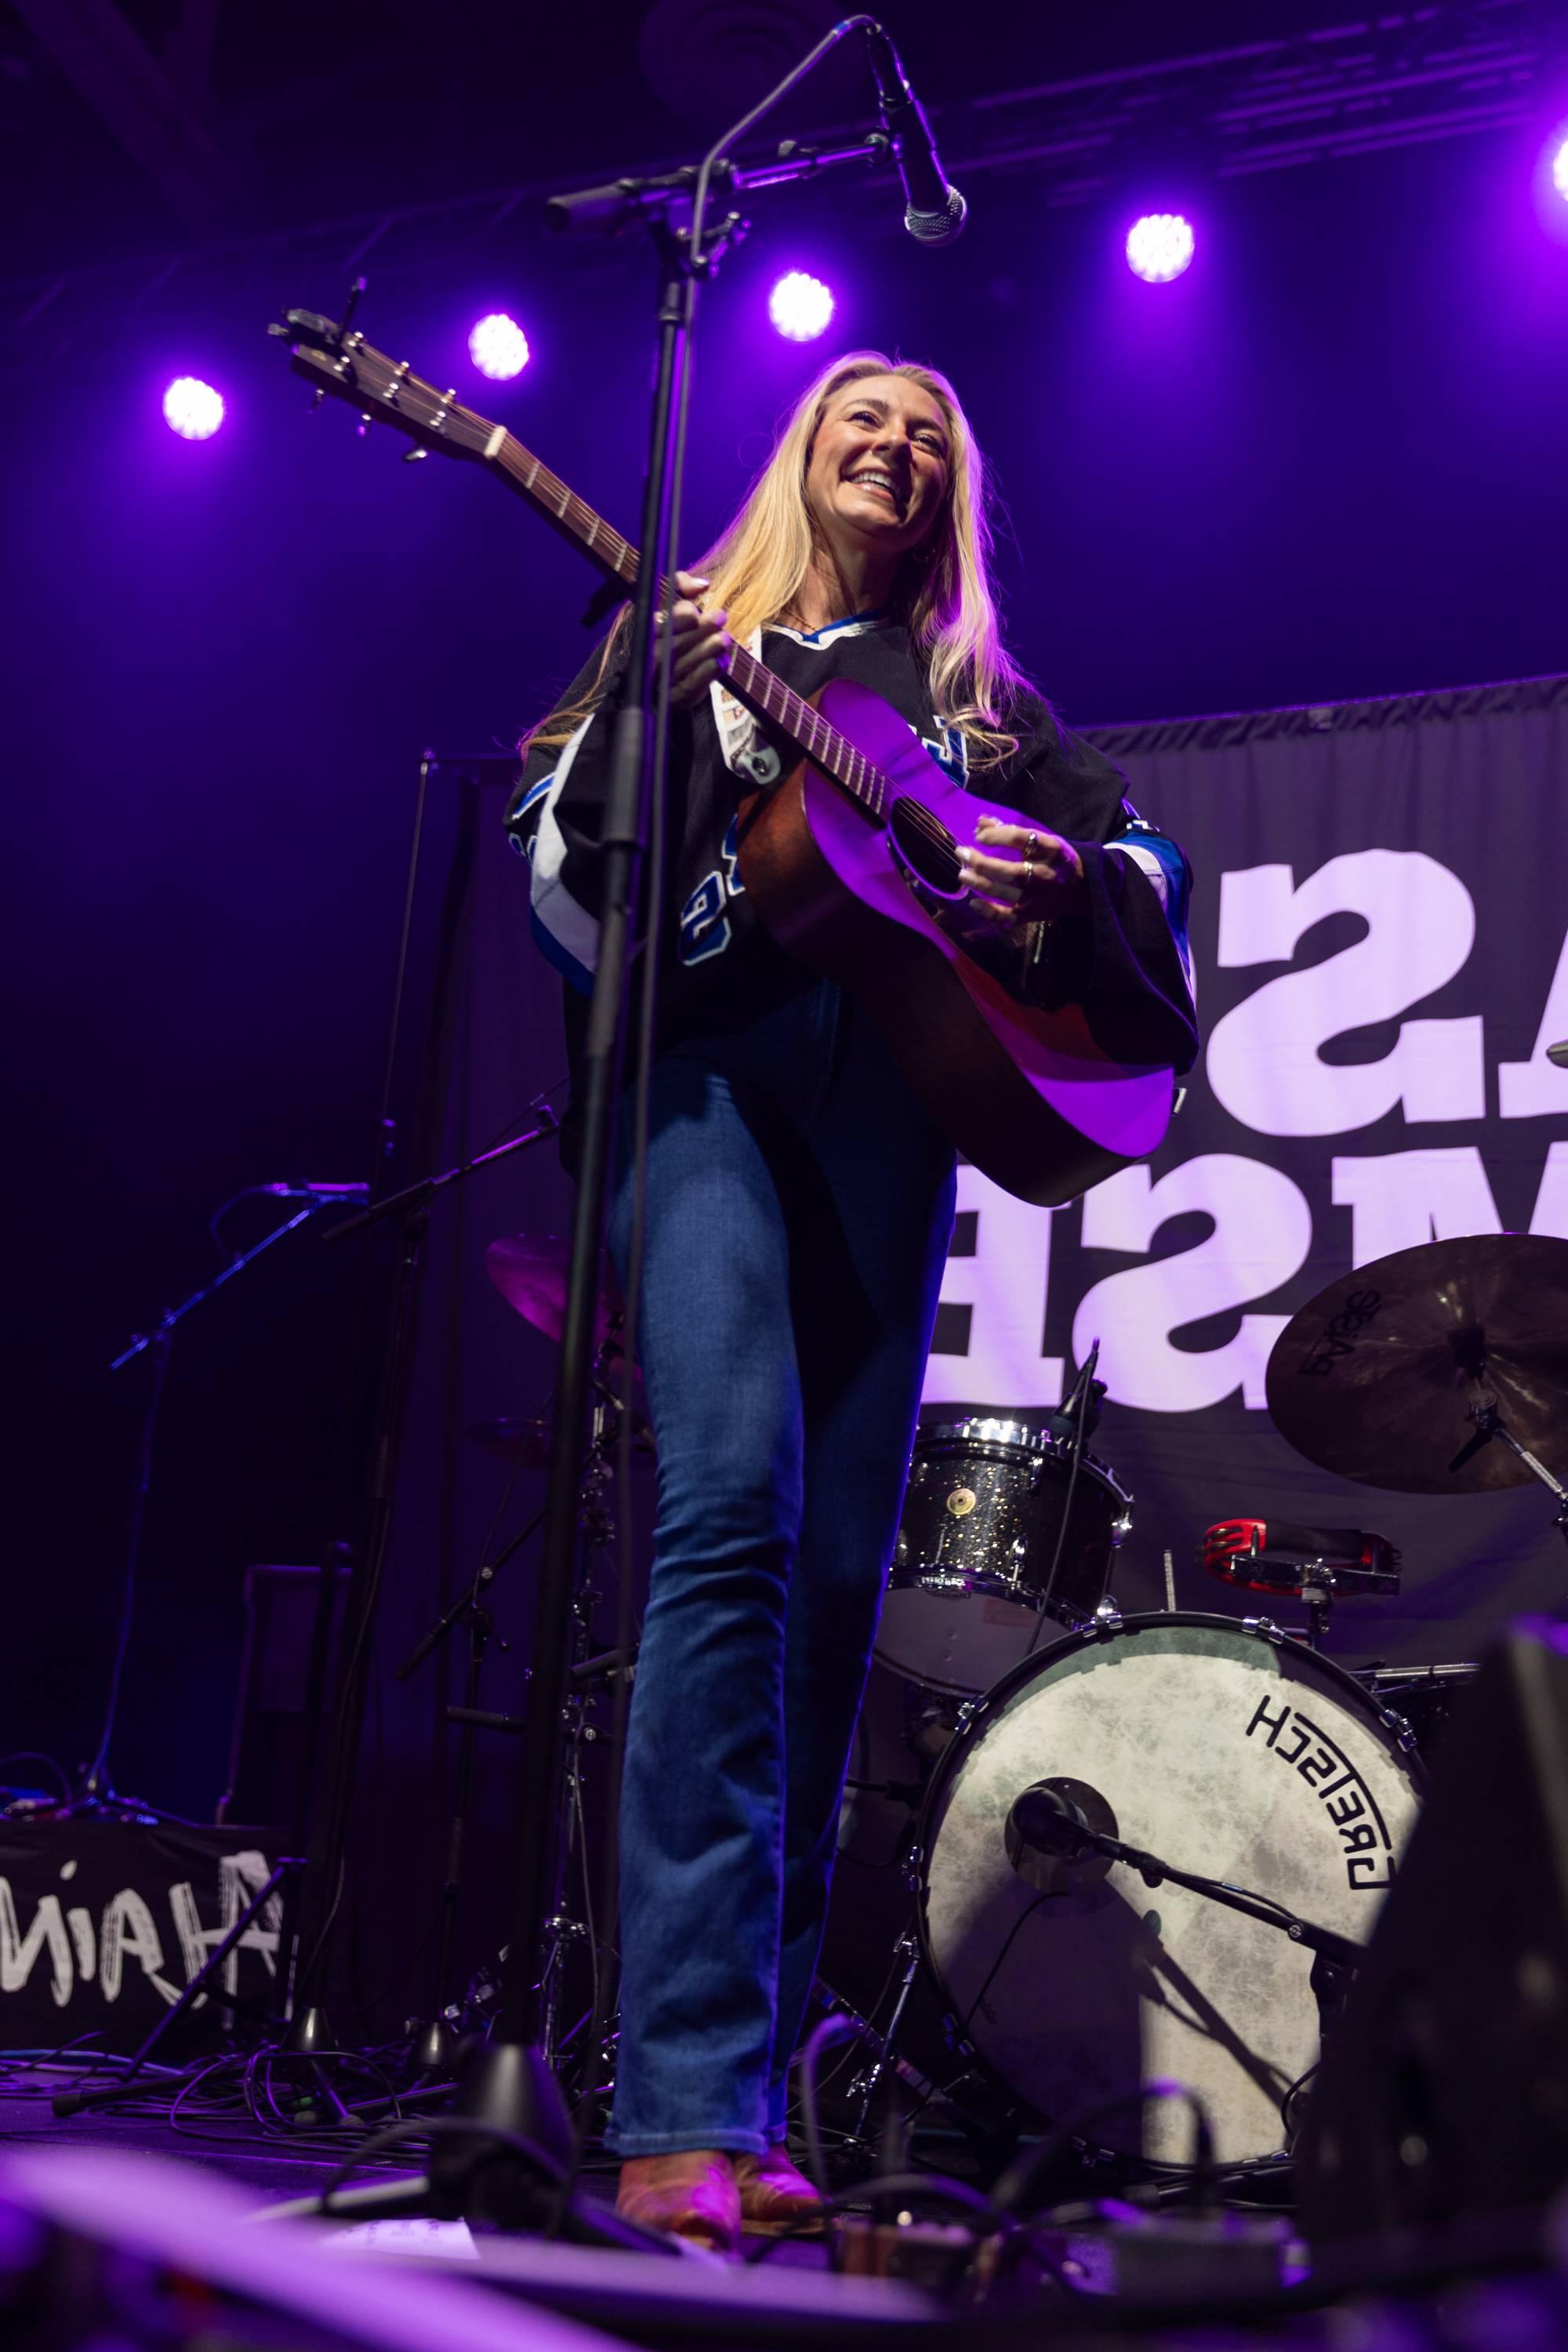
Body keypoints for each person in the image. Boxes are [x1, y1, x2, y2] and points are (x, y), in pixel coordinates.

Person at [506, 350, 1198, 2251]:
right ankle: (677, 2098)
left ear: (947, 494)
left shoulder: (979, 715)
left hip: (889, 1108)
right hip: (706, 1091)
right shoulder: (692, 643)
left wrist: (1060, 896)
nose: (889, 449)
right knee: (727, 1516)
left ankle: (758, 2095)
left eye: (924, 437)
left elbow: (1141, 862)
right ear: (798, 462)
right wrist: (647, 734)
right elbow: (566, 893)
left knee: (827, 1595)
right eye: (854, 425)